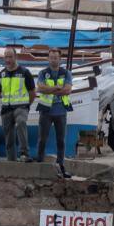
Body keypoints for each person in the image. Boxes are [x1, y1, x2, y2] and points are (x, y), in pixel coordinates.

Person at [36, 48, 74, 178]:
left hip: (61, 110)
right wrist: (57, 88)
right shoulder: (43, 73)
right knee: (42, 139)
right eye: (51, 57)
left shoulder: (66, 73)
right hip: (46, 110)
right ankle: (39, 164)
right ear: (48, 58)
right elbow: (40, 88)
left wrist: (49, 90)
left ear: (60, 59)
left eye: (55, 57)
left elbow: (68, 90)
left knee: (61, 140)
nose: (53, 60)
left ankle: (61, 166)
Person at [0, 46, 37, 162]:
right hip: (6, 109)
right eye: (6, 57)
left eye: (10, 57)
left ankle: (24, 154)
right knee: (8, 138)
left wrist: (27, 105)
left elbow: (33, 92)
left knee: (21, 122)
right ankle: (11, 161)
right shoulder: (1, 74)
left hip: (21, 107)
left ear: (15, 57)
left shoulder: (24, 73)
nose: (7, 59)